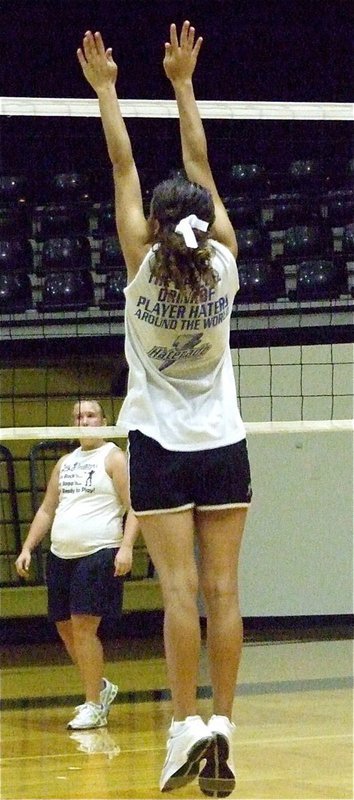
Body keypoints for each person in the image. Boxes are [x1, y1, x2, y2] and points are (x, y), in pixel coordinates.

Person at [77, 21, 252, 796]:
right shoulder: (226, 265)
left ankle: (182, 728)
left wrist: (109, 89)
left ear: (155, 226)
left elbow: (122, 163)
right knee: (226, 593)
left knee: (179, 594)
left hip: (159, 444)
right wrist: (183, 85)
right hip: (225, 444)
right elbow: (198, 165)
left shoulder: (139, 270)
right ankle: (223, 724)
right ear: (205, 221)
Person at [15, 399, 139, 731]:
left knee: (84, 628)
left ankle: (93, 706)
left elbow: (135, 506)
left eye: (90, 415)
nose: (83, 421)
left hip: (99, 552)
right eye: (78, 417)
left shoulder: (114, 457)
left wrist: (127, 547)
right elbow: (46, 509)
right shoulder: (65, 463)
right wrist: (28, 547)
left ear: (103, 421)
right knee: (65, 628)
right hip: (60, 555)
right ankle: (99, 687)